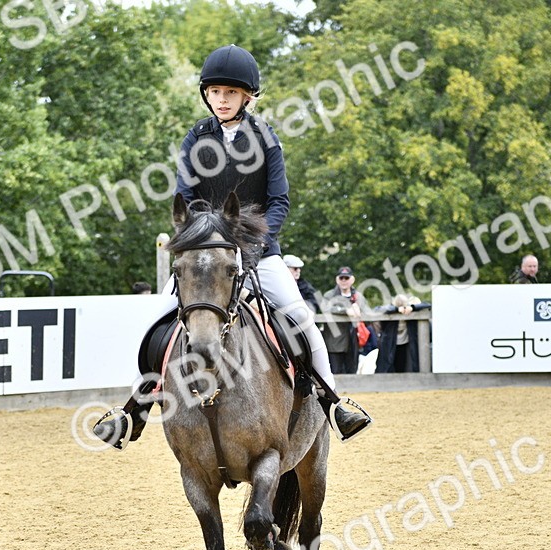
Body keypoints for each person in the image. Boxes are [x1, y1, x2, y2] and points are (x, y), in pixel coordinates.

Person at [92, 45, 371, 448]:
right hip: (206, 253)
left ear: (247, 97)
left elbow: (280, 201)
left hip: (261, 251)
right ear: (207, 94)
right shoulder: (197, 137)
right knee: (156, 323)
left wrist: (254, 241)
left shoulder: (265, 137)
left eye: (231, 93)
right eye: (215, 92)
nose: (221, 100)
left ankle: (333, 403)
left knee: (301, 318)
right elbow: (185, 194)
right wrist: (200, 236)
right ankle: (133, 411)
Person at [321, 266, 372, 375]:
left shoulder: (358, 297)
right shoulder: (329, 295)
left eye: (346, 278)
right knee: (335, 372)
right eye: (341, 278)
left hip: (354, 342)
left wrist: (360, 313)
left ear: (352, 279)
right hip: (334, 343)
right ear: (337, 279)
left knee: (352, 371)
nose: (344, 280)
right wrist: (346, 311)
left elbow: (369, 315)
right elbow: (326, 309)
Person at [375, 293, 431, 373]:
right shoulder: (391, 311)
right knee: (389, 369)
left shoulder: (409, 311)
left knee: (406, 367)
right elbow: (377, 309)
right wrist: (396, 310)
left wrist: (412, 308)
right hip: (390, 346)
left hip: (406, 344)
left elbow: (428, 305)